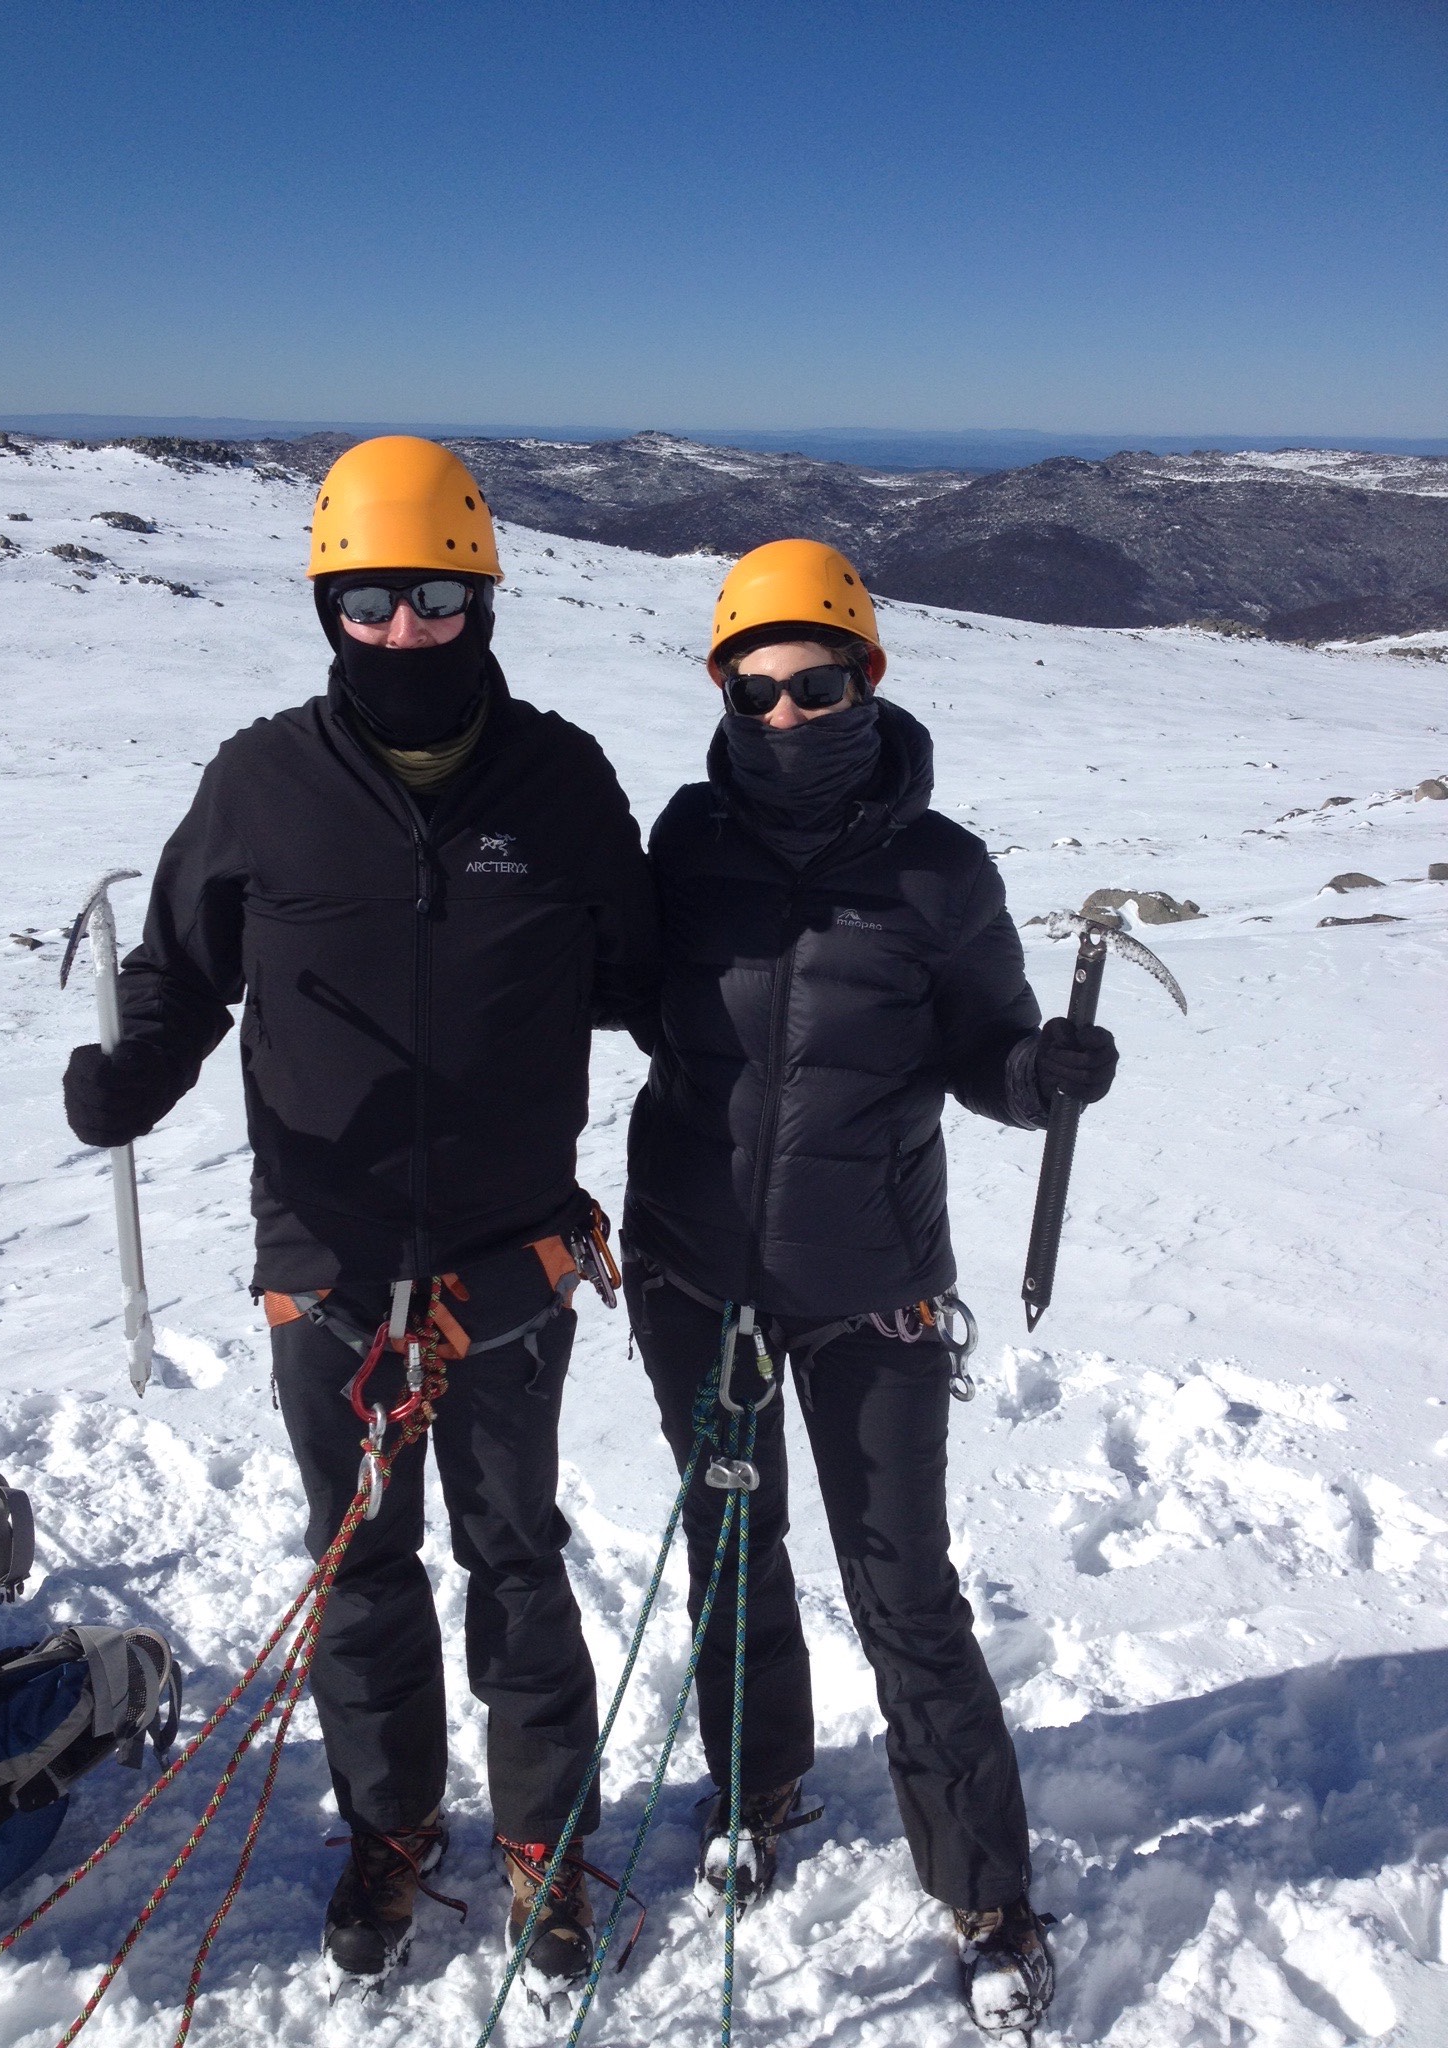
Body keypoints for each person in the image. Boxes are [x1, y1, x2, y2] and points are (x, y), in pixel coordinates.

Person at [62, 438, 658, 1991]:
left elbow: (655, 979)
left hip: (508, 1269)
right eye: (372, 601)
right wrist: (139, 1069)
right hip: (323, 1271)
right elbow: (185, 971)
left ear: (484, 601)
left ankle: (543, 1839)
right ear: (331, 603)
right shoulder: (262, 781)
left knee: (517, 1561)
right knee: (361, 1567)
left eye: (438, 603)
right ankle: (391, 1831)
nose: (405, 632)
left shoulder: (564, 780)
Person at [622, 540, 1117, 2037]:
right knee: (730, 1544)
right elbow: (619, 997)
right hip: (695, 1272)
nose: (783, 714)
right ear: (721, 687)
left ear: (867, 680)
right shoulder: (685, 842)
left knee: (906, 1591)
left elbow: (988, 1051)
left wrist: (1040, 1076)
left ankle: (986, 1893)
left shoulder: (938, 871)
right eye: (753, 687)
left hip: (869, 1293)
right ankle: (760, 1789)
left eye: (814, 684)